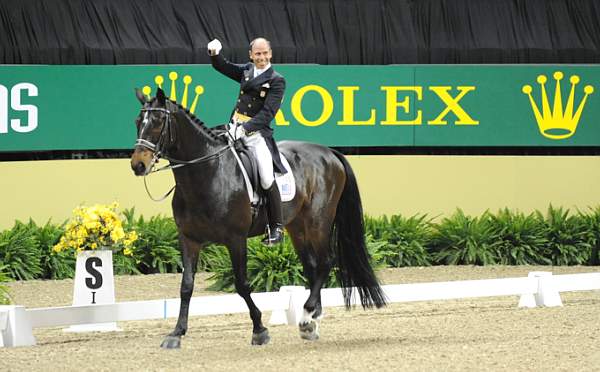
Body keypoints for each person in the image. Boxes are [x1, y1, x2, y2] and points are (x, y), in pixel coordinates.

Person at [207, 37, 286, 245]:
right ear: (251, 55)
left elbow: (268, 113)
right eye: (257, 54)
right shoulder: (247, 70)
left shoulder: (277, 80)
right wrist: (215, 54)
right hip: (234, 127)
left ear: (270, 54)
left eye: (265, 53)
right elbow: (223, 67)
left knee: (267, 178)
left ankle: (276, 227)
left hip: (256, 135)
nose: (261, 57)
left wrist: (246, 129)